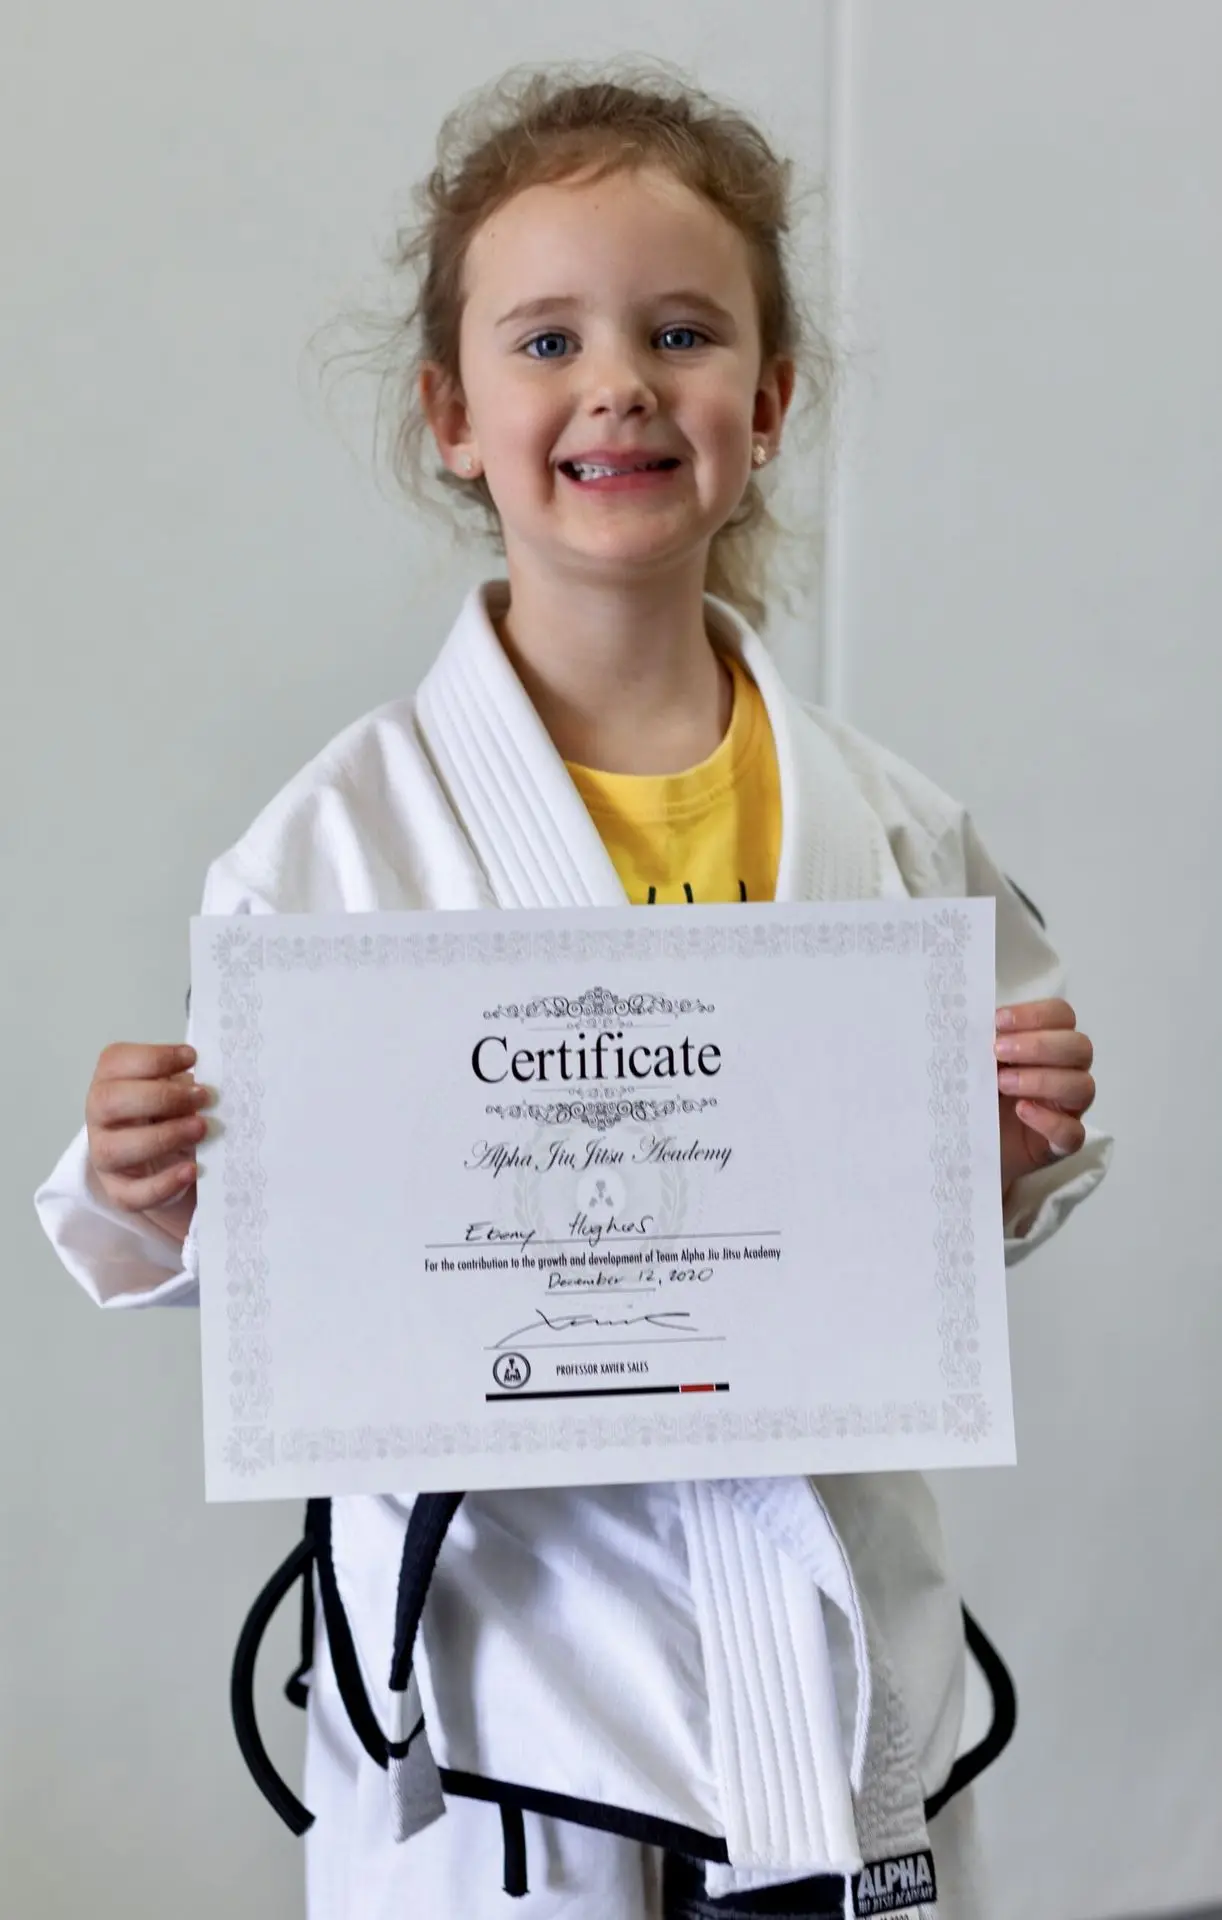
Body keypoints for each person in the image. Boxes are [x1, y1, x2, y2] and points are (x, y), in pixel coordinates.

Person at [33, 59, 1111, 1920]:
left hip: (821, 1617)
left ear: (764, 406)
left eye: (679, 331)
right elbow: (264, 1248)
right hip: (512, 1660)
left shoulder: (893, 825)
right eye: (546, 339)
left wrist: (1014, 1140)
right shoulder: (332, 844)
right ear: (451, 414)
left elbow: (951, 1219)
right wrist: (149, 1180)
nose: (615, 380)